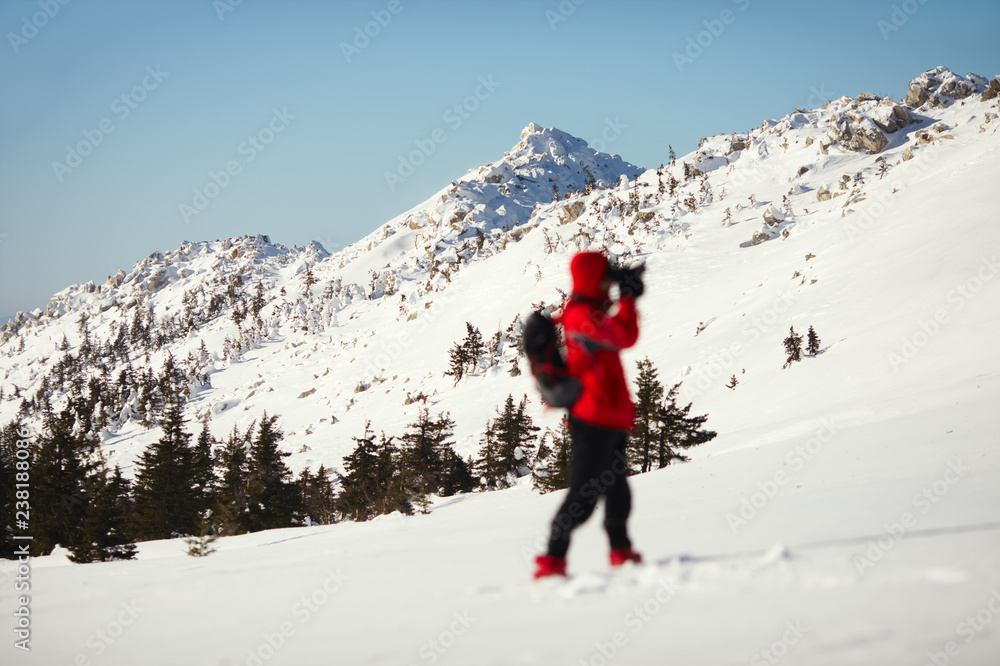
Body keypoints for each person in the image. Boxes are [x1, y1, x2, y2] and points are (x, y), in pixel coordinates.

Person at [534, 251, 644, 578]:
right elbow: (624, 335)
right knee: (584, 494)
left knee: (618, 491)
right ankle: (551, 560)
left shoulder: (589, 310)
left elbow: (613, 329)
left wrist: (625, 294)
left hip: (607, 416)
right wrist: (627, 297)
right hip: (591, 418)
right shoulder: (581, 314)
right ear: (594, 278)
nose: (610, 280)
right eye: (607, 275)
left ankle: (621, 553)